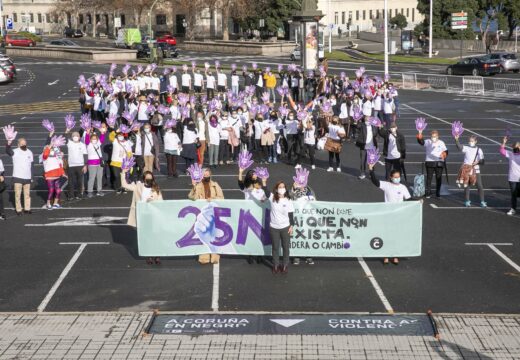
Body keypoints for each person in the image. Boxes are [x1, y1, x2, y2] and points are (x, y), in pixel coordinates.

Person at [368, 162, 411, 264]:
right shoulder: (386, 185)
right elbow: (375, 181)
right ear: (391, 177)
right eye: (395, 177)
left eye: (398, 177)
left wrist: (418, 201)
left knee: (396, 236)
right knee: (386, 235)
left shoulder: (403, 187)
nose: (397, 178)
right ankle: (385, 255)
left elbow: (409, 199)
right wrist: (371, 170)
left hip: (399, 216)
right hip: (387, 215)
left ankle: (395, 256)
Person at [121, 169, 163, 265]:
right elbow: (124, 185)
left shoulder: (156, 188)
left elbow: (161, 201)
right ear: (144, 179)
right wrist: (123, 173)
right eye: (147, 178)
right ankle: (148, 255)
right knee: (146, 236)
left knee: (155, 235)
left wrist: (153, 201)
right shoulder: (138, 187)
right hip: (143, 215)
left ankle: (157, 255)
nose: (149, 180)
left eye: (150, 178)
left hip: (153, 215)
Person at [188, 168, 224, 264]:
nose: (206, 177)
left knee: (214, 235)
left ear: (210, 175)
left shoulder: (215, 185)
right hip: (202, 214)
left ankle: (215, 256)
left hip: (213, 214)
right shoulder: (198, 185)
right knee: (203, 235)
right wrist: (194, 186)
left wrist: (212, 198)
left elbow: (221, 198)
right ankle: (204, 256)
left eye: (208, 175)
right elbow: (192, 198)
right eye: (204, 175)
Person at [269, 181, 294, 274]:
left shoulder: (288, 200)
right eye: (280, 187)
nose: (282, 189)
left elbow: (291, 214)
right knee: (275, 247)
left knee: (286, 247)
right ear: (276, 189)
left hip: (285, 227)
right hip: (274, 227)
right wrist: (264, 181)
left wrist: (292, 226)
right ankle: (275, 265)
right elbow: (265, 190)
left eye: (283, 187)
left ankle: (285, 265)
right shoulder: (272, 198)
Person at [454, 135, 486, 207]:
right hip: (466, 170)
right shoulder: (466, 148)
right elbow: (459, 147)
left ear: (475, 141)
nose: (470, 142)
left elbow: (483, 161)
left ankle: (482, 201)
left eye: (472, 141)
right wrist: (456, 139)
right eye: (469, 141)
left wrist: (477, 162)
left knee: (479, 186)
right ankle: (467, 201)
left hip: (475, 170)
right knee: (467, 186)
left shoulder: (479, 150)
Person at [289, 180, 316, 266]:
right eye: (299, 182)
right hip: (297, 218)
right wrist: (293, 188)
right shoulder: (293, 190)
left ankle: (308, 255)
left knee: (308, 236)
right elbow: (289, 197)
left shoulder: (310, 190)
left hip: (308, 218)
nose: (301, 184)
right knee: (297, 236)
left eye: (303, 182)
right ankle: (296, 256)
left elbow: (315, 202)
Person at [6, 137, 33, 215]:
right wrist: (9, 143)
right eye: (22, 144)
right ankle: (19, 210)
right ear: (18, 145)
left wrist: (32, 176)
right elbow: (8, 151)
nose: (24, 145)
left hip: (27, 177)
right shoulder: (15, 151)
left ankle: (27, 208)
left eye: (25, 144)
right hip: (18, 176)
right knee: (18, 194)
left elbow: (32, 165)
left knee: (27, 194)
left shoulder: (29, 152)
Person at [417, 130, 448, 198]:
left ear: (437, 136)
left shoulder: (441, 142)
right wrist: (419, 134)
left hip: (439, 162)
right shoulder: (428, 141)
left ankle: (438, 192)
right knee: (429, 178)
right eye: (432, 136)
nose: (433, 137)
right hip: (429, 162)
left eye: (435, 136)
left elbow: (446, 150)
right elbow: (421, 142)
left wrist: (444, 154)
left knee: (438, 178)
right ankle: (428, 192)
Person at [42, 139, 66, 209]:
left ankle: (55, 203)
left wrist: (63, 173)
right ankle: (48, 203)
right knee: (51, 190)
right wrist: (49, 146)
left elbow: (60, 165)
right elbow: (45, 154)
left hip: (57, 175)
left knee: (58, 190)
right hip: (50, 176)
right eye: (51, 149)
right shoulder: (45, 157)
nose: (52, 151)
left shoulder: (56, 157)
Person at [500, 138, 520, 216]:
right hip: (512, 179)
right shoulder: (510, 154)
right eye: (514, 147)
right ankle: (513, 209)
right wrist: (503, 142)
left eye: (517, 147)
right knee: (513, 195)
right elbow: (502, 151)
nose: (516, 148)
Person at [66, 131, 87, 200]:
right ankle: (71, 195)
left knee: (80, 181)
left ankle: (79, 194)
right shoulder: (69, 143)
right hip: (71, 165)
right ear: (72, 137)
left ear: (79, 137)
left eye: (77, 136)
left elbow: (85, 155)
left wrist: (85, 165)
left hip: (80, 165)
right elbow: (64, 138)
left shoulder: (82, 145)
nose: (75, 137)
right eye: (74, 136)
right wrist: (67, 131)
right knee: (70, 181)